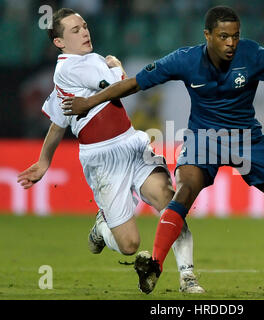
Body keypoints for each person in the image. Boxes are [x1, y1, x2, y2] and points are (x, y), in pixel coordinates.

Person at [62, 6, 264, 294]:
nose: (231, 43)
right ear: (207, 36)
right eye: (223, 36)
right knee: (184, 190)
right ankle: (154, 264)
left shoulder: (253, 55)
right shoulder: (184, 60)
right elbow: (133, 84)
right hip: (202, 138)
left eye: (235, 35)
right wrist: (89, 102)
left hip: (247, 139)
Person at [16, 8, 204, 294]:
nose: (85, 32)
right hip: (103, 160)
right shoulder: (78, 65)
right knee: (129, 245)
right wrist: (116, 66)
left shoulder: (64, 76)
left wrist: (44, 162)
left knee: (171, 202)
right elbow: (120, 86)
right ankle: (102, 229)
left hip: (131, 144)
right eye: (75, 30)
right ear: (59, 42)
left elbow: (58, 124)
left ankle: (188, 277)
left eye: (85, 26)